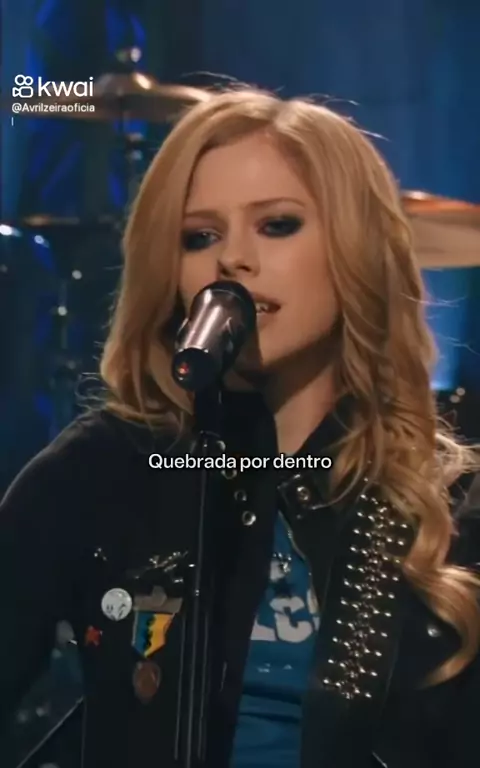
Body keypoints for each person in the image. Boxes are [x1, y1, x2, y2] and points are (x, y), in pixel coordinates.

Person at [0, 86, 479, 768]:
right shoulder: (102, 467)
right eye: (199, 237)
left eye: (277, 224)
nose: (232, 261)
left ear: (354, 248)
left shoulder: (446, 501)